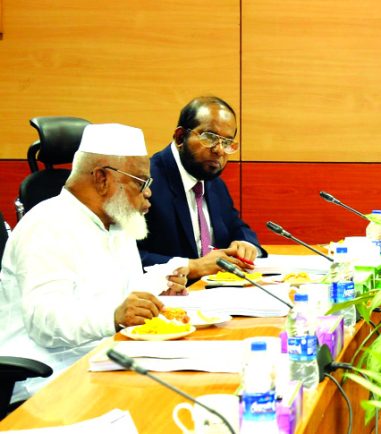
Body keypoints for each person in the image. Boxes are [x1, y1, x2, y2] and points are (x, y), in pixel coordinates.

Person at [0, 124, 188, 402]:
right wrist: (113, 317)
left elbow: (119, 295)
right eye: (140, 182)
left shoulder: (118, 223)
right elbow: (45, 320)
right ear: (102, 178)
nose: (149, 193)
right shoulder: (46, 225)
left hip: (107, 363)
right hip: (48, 382)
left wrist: (160, 285)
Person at [139, 96, 265, 280]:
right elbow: (125, 258)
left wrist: (245, 244)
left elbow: (237, 226)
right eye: (210, 137)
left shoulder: (212, 182)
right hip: (164, 299)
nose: (219, 150)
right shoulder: (144, 182)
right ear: (180, 137)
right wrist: (192, 267)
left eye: (227, 142)